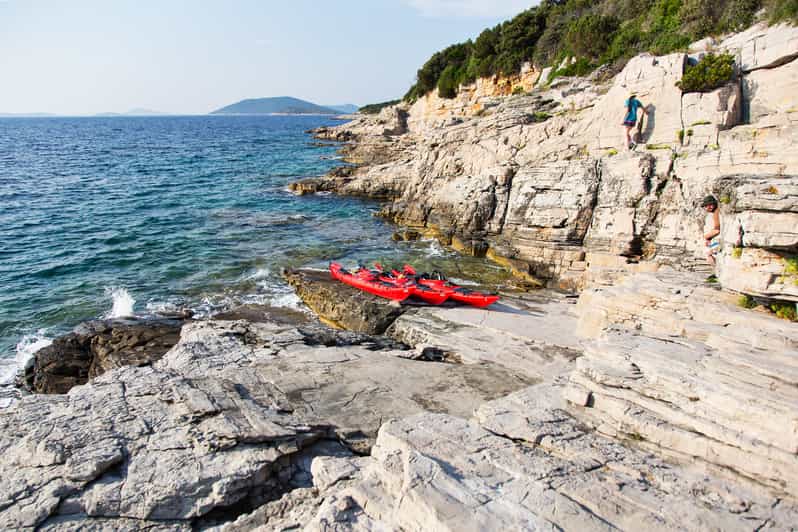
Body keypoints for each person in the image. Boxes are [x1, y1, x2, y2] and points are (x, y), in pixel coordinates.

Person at [701, 195, 721, 266]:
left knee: (709, 255)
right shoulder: (713, 214)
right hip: (714, 241)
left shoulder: (716, 213)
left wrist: (706, 237)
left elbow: (717, 230)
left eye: (709, 205)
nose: (707, 208)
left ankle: (718, 272)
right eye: (706, 206)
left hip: (717, 241)